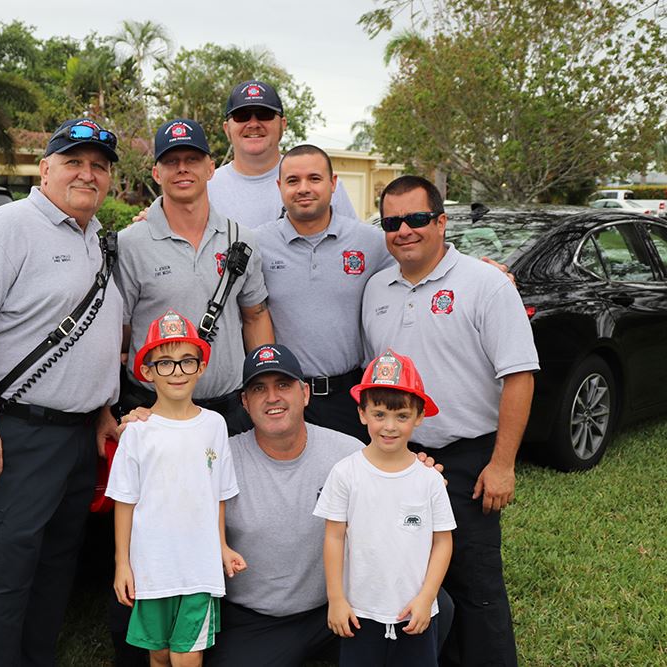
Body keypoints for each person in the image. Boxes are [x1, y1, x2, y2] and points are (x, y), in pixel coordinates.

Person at [0, 118, 124, 666]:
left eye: (99, 166)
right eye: (74, 162)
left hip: (74, 442)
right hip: (13, 436)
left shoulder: (95, 241)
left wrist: (103, 410)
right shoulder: (7, 228)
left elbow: (88, 336)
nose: (87, 174)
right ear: (45, 169)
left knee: (51, 574)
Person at [361, 175, 538, 666]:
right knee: (411, 574)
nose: (405, 231)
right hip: (400, 458)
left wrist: (502, 463)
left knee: (475, 581)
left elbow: (519, 376)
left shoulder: (485, 285)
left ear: (441, 222)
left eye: (417, 219)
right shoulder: (376, 288)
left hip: (468, 460)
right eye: (392, 222)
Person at [202, 344, 453, 666]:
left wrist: (419, 472)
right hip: (260, 617)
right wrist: (145, 422)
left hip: (342, 606)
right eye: (259, 388)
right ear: (245, 402)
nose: (272, 397)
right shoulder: (221, 457)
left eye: (283, 385)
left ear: (305, 393)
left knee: (439, 607)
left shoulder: (346, 452)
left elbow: (391, 470)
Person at [115, 118, 274, 436]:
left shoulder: (240, 239)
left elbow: (255, 316)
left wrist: (265, 386)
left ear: (211, 168)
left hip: (230, 412)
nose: (182, 169)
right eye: (171, 162)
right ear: (157, 173)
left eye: (192, 160)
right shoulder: (130, 243)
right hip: (153, 413)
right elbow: (117, 331)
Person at [107, 309, 246, 667]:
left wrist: (222, 546)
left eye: (186, 361)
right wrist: (123, 563)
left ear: (201, 367)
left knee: (186, 655)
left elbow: (216, 496)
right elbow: (125, 502)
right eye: (165, 363)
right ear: (148, 372)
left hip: (199, 567)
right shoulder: (136, 431)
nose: (177, 372)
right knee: (160, 653)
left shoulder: (214, 425)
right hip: (152, 566)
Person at [315, 349, 455, 666]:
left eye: (402, 416)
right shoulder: (344, 473)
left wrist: (426, 597)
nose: (389, 426)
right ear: (362, 413)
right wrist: (336, 599)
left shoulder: (429, 480)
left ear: (419, 416)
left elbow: (443, 541)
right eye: (379, 414)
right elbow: (334, 537)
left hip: (415, 613)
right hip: (359, 613)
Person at [256, 144, 395, 440]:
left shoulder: (370, 241)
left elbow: (421, 263)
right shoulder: (256, 244)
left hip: (350, 396)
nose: (303, 188)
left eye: (315, 179)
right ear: (280, 187)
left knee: (351, 483)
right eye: (293, 181)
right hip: (284, 396)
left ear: (333, 184)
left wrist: (488, 269)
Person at [207, 79, 358, 229]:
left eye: (264, 114)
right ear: (227, 129)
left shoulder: (322, 184)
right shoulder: (206, 189)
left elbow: (353, 242)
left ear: (283, 124)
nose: (253, 124)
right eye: (242, 116)